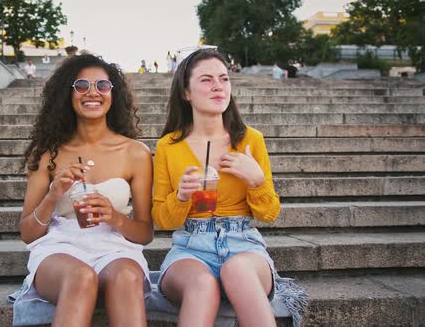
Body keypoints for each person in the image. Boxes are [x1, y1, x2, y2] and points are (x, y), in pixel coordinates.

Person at [152, 49, 307, 327]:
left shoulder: (251, 140)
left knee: (237, 270)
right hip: (190, 247)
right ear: (186, 92)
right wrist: (181, 196)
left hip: (243, 244)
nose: (218, 86)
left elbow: (270, 213)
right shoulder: (168, 146)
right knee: (202, 284)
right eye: (206, 79)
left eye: (224, 78)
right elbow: (163, 219)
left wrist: (256, 181)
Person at [16, 54, 154, 326]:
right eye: (81, 85)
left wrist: (114, 218)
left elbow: (145, 233)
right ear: (68, 93)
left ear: (113, 95)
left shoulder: (136, 153)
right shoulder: (47, 153)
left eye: (102, 86)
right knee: (81, 276)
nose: (93, 92)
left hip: (116, 248)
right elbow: (28, 233)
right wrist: (54, 195)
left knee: (127, 276)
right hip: (60, 249)